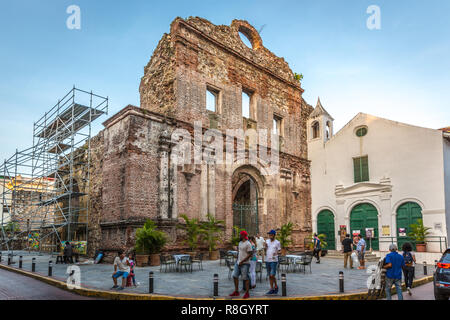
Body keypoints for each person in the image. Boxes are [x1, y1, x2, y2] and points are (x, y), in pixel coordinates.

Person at [229, 230, 253, 299]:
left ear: (243, 236)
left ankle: (247, 293)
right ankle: (236, 291)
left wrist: (242, 261)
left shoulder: (248, 244)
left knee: (245, 278)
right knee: (234, 276)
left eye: (240, 235)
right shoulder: (240, 243)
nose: (239, 236)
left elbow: (250, 254)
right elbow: (239, 252)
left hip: (245, 263)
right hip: (238, 262)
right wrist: (238, 259)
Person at [264, 229, 281, 295]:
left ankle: (274, 288)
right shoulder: (267, 241)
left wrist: (276, 253)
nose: (270, 235)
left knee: (272, 275)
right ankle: (274, 287)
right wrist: (265, 247)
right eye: (269, 234)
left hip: (274, 260)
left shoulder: (277, 242)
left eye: (271, 234)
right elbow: (265, 249)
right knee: (270, 276)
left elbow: (280, 251)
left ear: (274, 235)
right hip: (267, 260)